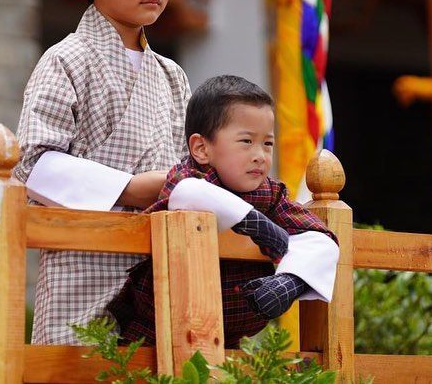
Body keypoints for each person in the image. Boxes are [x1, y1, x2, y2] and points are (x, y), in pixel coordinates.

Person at [14, 0, 190, 344]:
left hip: (157, 260)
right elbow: (32, 165)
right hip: (83, 256)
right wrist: (130, 188)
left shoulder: (172, 74)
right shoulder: (66, 58)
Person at [108, 75, 339, 348]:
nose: (260, 155)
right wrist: (255, 223)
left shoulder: (271, 193)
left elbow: (320, 237)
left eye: (267, 143)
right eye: (246, 141)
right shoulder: (190, 176)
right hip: (154, 335)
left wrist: (290, 283)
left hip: (229, 339)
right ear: (201, 148)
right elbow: (188, 193)